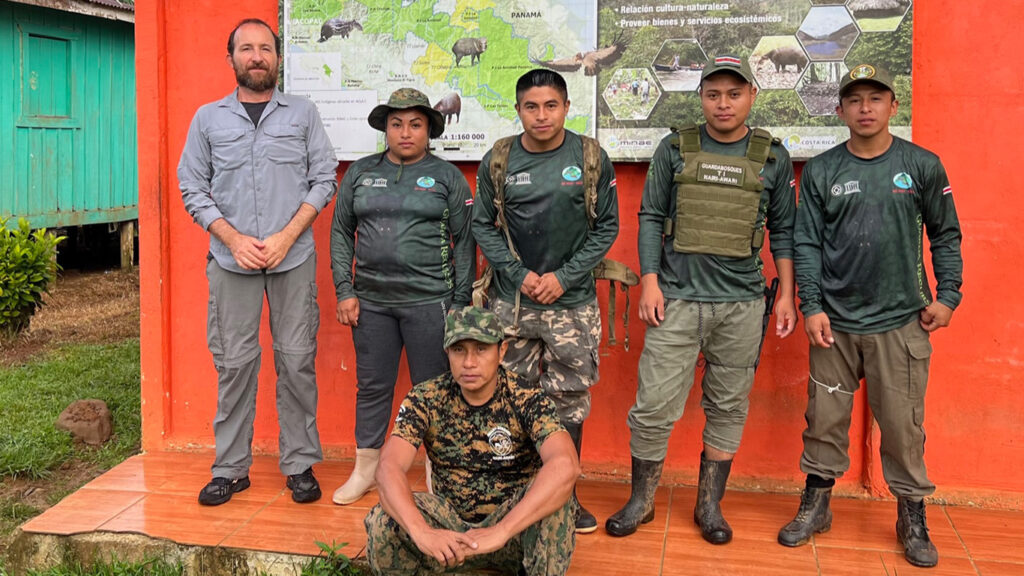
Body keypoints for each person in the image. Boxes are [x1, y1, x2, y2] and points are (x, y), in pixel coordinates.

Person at [777, 63, 963, 569]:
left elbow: (946, 234)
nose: (865, 109)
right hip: (834, 326)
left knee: (903, 427)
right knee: (824, 420)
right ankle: (816, 506)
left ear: (892, 107)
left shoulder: (922, 165)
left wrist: (948, 297)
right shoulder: (821, 171)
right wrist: (811, 305)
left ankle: (911, 515)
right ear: (839, 110)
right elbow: (806, 243)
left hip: (901, 322)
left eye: (875, 99)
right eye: (855, 100)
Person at [606, 55, 797, 542]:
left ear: (752, 95)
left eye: (734, 94)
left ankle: (709, 506)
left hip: (743, 303)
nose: (723, 103)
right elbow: (650, 216)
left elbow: (786, 233)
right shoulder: (675, 147)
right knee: (652, 406)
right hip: (678, 301)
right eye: (713, 94)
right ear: (701, 98)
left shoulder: (772, 155)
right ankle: (641, 500)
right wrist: (649, 280)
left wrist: (787, 295)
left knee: (728, 406)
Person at [177, 18, 338, 506]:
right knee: (234, 363)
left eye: (265, 48)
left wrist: (289, 235)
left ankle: (300, 465)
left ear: (278, 57)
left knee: (297, 361)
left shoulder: (303, 114)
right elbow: (192, 187)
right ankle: (230, 468)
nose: (256, 56)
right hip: (231, 262)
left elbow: (324, 177)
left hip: (293, 259)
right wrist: (232, 237)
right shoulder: (208, 119)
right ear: (231, 60)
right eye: (245, 49)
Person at [471, 69, 619, 534]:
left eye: (550, 105)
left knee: (568, 403)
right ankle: (512, 497)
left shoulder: (590, 157)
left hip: (572, 306)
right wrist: (519, 276)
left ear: (566, 107)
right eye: (531, 107)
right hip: (511, 306)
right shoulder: (499, 159)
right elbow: (482, 226)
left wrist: (564, 276)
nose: (541, 115)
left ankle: (564, 498)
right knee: (507, 397)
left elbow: (606, 227)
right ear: (518, 110)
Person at [330, 88, 475, 505]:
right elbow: (340, 233)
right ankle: (366, 470)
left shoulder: (447, 177)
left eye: (415, 124)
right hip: (371, 303)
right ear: (385, 128)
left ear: (429, 128)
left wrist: (460, 302)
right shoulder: (359, 174)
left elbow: (465, 241)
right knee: (372, 386)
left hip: (431, 302)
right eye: (397, 124)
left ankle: (440, 474)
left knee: (435, 390)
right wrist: (345, 290)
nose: (406, 132)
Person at [364, 306, 579, 575]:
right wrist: (422, 531)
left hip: (512, 533)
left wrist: (501, 531)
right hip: (450, 535)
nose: (469, 362)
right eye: (459, 350)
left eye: (481, 349)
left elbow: (566, 464)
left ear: (501, 351)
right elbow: (388, 467)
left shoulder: (526, 397)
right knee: (385, 520)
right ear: (448, 353)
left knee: (556, 506)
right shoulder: (427, 398)